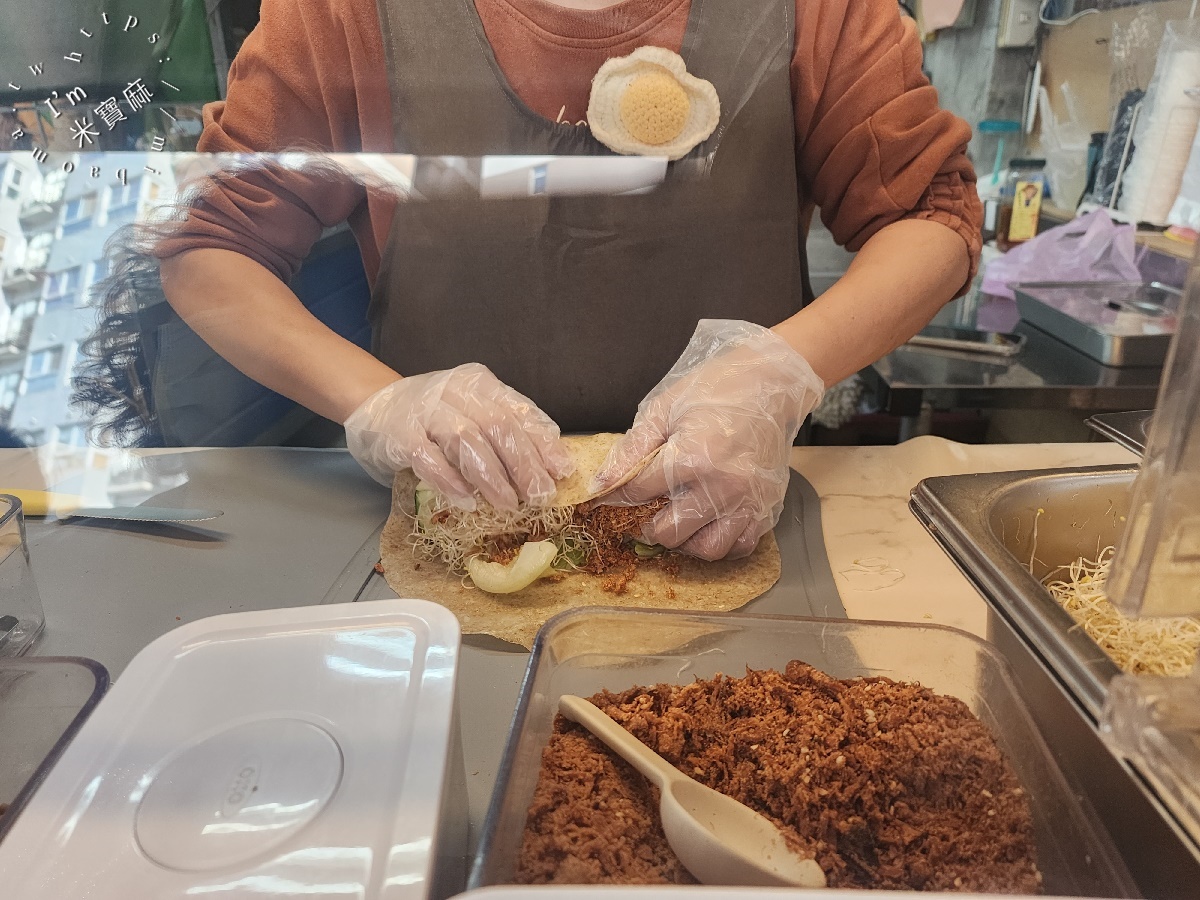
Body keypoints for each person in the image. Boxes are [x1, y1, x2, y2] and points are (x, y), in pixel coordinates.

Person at [154, 0, 981, 561]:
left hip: (725, 525)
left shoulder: (820, 13)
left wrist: (778, 371)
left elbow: (932, 217)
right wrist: (379, 402)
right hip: (455, 535)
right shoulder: (342, 15)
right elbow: (209, 242)